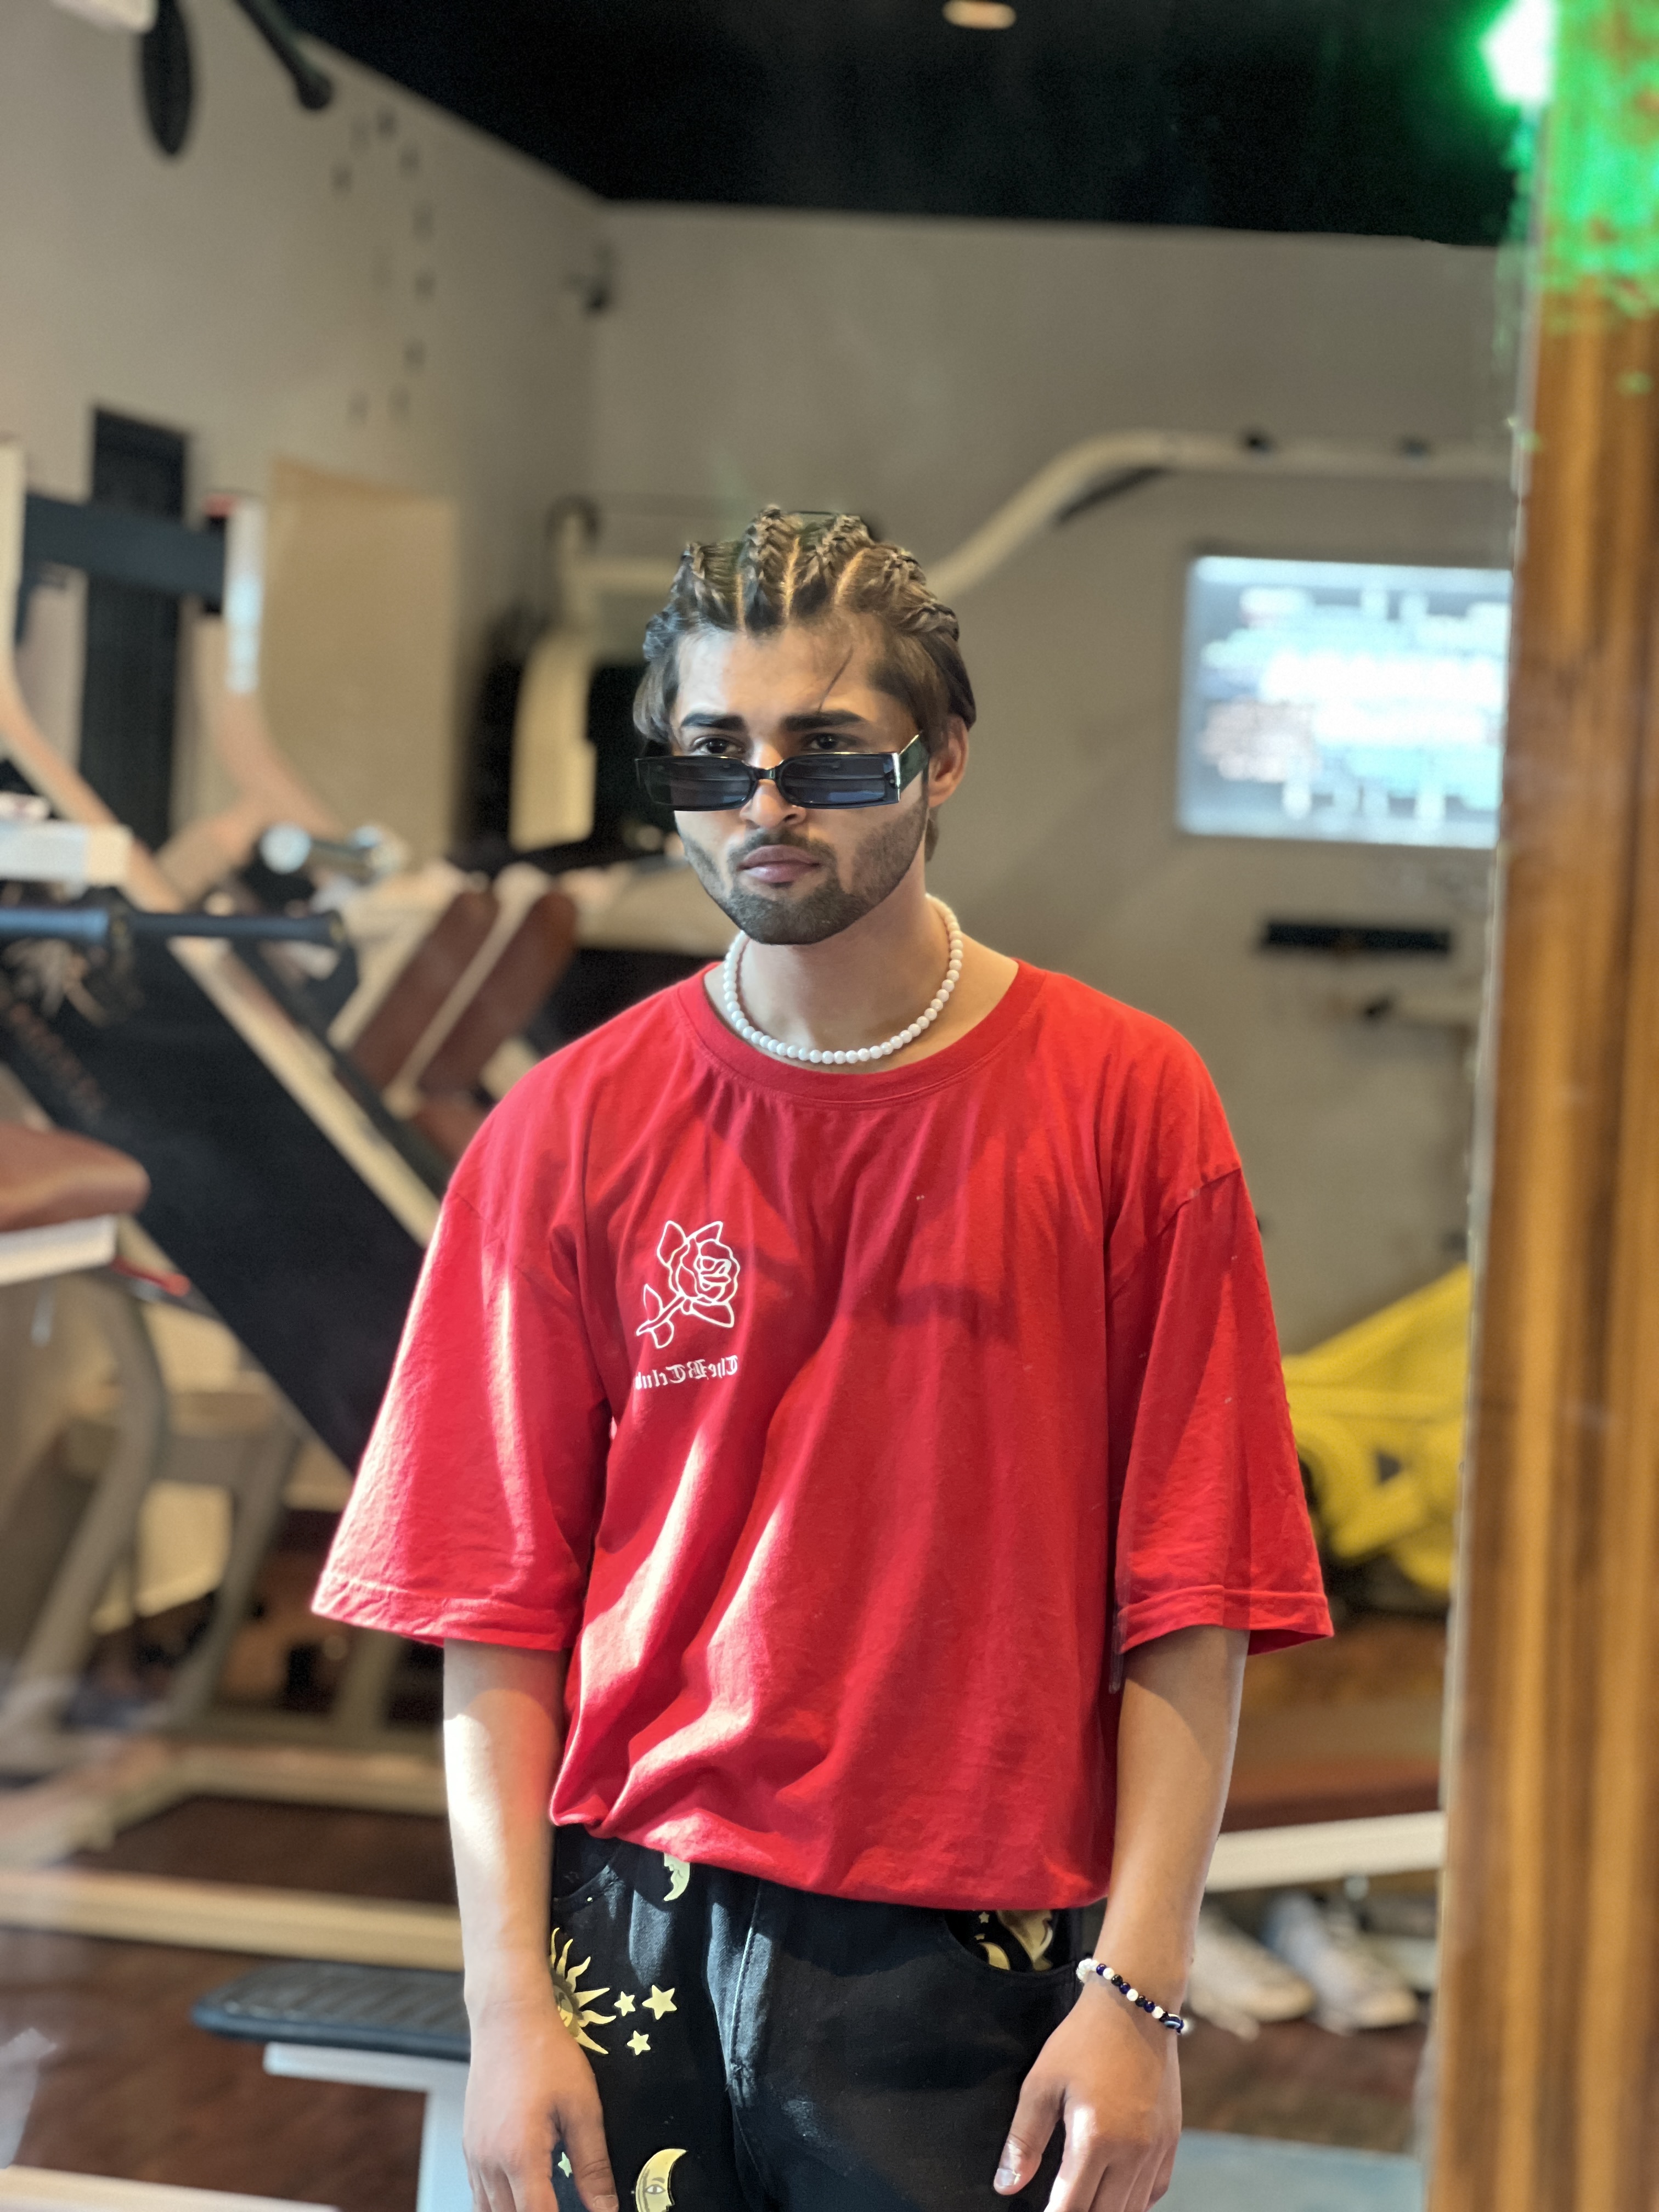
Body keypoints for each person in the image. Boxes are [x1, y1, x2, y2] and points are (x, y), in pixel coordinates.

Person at [314, 507, 1330, 2212]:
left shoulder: (1128, 1107)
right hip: (629, 1914)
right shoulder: (562, 1133)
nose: (765, 804)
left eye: (830, 756)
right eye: (714, 756)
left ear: (942, 764)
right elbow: (491, 1607)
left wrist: (1140, 1995)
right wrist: (503, 2008)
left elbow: (1194, 1591)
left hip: (970, 1943)